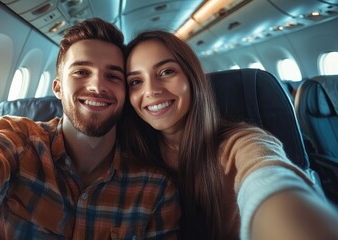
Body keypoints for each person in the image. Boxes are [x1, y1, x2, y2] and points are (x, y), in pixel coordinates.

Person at [0, 19, 180, 239]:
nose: (98, 86)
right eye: (81, 72)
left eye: (113, 76)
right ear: (58, 88)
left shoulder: (154, 187)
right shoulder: (18, 145)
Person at [122, 30, 338, 240]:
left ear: (192, 77)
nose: (151, 90)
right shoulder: (130, 156)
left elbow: (269, 177)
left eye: (166, 72)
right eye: (136, 81)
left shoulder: (240, 143)